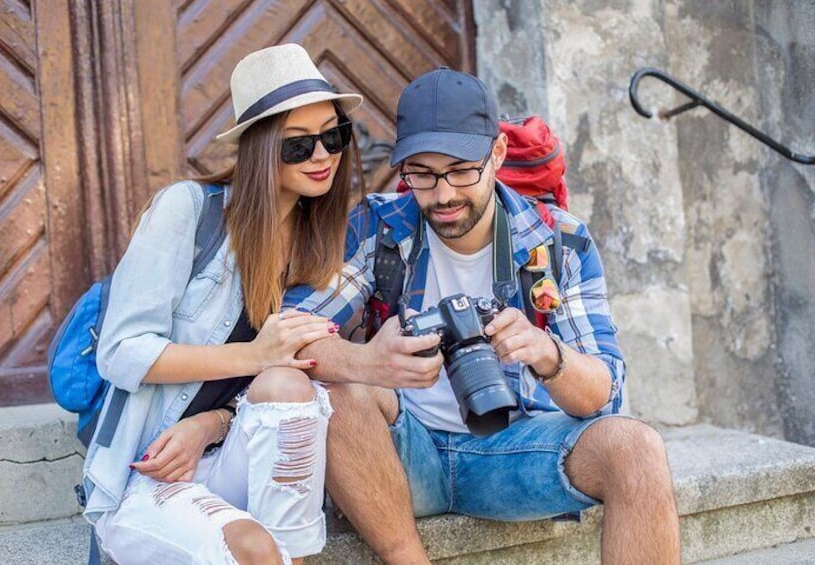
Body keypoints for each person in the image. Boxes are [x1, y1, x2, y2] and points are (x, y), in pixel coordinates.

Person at [284, 68, 681, 564]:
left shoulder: (557, 239)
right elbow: (290, 335)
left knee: (636, 448)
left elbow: (606, 393)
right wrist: (370, 362)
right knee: (337, 390)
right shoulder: (379, 227)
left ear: (496, 154)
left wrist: (550, 356)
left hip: (516, 450)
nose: (444, 193)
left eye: (461, 169)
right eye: (422, 174)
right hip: (402, 457)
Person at [80, 43, 363, 565]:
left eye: (334, 135)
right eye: (298, 145)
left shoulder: (318, 243)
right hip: (147, 469)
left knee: (290, 385)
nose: (323, 156)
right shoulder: (188, 211)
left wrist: (214, 423)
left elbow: (287, 388)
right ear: (258, 147)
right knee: (255, 549)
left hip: (233, 451)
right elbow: (121, 352)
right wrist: (254, 355)